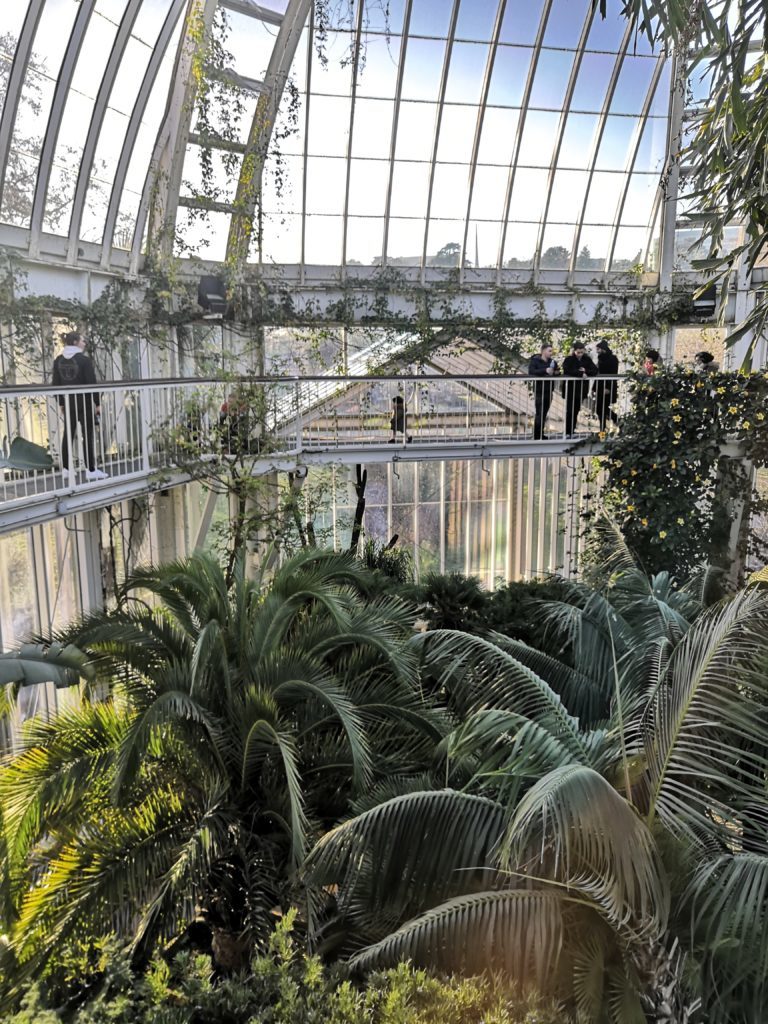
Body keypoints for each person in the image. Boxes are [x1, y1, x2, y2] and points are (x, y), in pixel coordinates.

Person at [52, 331, 107, 480]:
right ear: (75, 342)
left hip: (69, 403)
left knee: (68, 436)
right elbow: (91, 383)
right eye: (83, 341)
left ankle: (66, 470)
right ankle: (90, 470)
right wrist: (97, 403)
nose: (84, 343)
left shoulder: (58, 361)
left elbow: (55, 384)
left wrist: (61, 403)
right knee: (87, 436)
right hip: (85, 403)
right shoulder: (84, 361)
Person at [562, 341, 597, 438]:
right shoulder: (569, 359)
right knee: (570, 410)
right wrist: (580, 373)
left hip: (581, 389)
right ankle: (568, 431)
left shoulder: (586, 359)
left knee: (576, 410)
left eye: (582, 352)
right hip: (571, 388)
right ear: (574, 351)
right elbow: (567, 370)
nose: (580, 355)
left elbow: (594, 370)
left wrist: (586, 371)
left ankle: (572, 431)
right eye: (578, 352)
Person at [528, 343, 559, 440]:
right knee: (539, 413)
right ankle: (537, 435)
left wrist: (556, 372)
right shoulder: (535, 361)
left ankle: (541, 434)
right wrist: (545, 370)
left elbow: (557, 371)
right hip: (539, 390)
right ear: (543, 351)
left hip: (549, 390)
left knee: (544, 413)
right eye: (549, 351)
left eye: (551, 351)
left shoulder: (552, 361)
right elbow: (532, 371)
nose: (551, 353)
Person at [595, 339, 619, 432]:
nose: (597, 351)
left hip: (608, 386)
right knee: (600, 410)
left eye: (598, 349)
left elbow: (612, 373)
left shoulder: (612, 359)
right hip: (600, 386)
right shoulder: (601, 358)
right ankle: (602, 431)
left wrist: (608, 388)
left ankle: (603, 430)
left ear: (603, 349)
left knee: (602, 409)